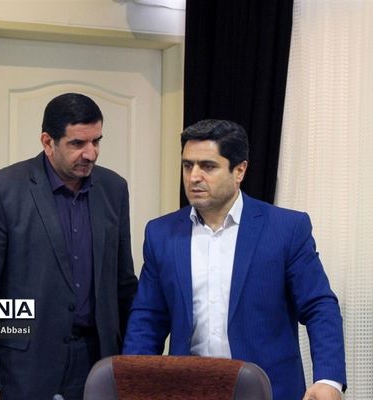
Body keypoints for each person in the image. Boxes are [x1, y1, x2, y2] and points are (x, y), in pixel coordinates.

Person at [123, 119, 346, 400]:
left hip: (268, 390)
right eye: (188, 165)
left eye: (208, 166)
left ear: (239, 170)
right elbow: (148, 318)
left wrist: (328, 379)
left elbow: (319, 306)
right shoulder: (161, 234)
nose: (193, 177)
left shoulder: (286, 229)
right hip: (188, 390)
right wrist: (133, 384)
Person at [0, 93, 138, 400]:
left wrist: (133, 361)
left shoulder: (114, 188)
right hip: (23, 366)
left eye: (96, 141)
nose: (90, 153)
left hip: (96, 362)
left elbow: (123, 283)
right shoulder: (0, 190)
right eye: (77, 143)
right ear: (47, 141)